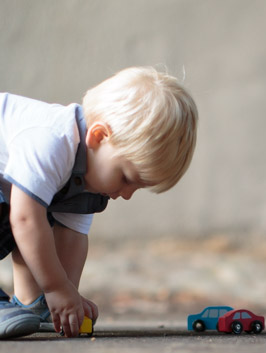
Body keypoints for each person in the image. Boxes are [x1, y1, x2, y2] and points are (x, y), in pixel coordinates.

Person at [0, 66, 198, 338]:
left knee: (39, 214)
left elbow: (72, 235)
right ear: (99, 136)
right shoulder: (52, 141)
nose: (127, 194)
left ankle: (33, 304)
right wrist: (57, 287)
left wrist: (68, 296)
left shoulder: (87, 178)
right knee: (27, 212)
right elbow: (24, 219)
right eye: (127, 178)